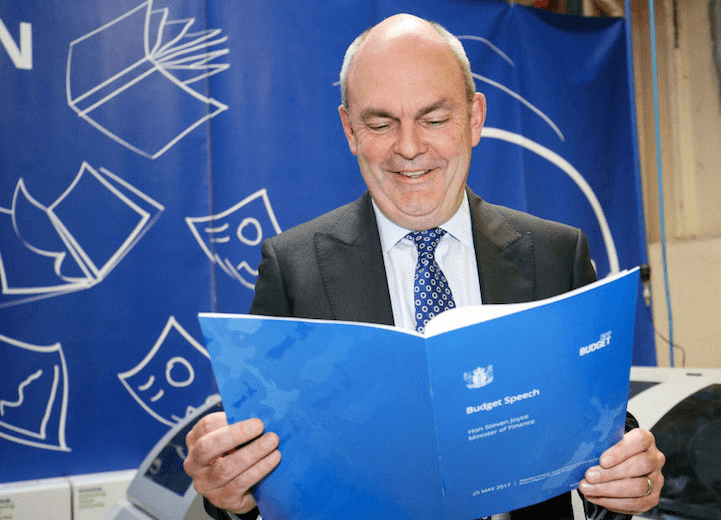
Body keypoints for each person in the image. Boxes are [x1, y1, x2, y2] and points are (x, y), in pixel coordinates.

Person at [184, 13, 665, 520]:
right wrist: (229, 493)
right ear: (349, 129)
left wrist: (627, 477)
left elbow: (595, 428)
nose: (409, 148)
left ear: (475, 118)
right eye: (379, 123)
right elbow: (256, 468)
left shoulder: (554, 255)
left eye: (434, 119)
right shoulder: (293, 268)